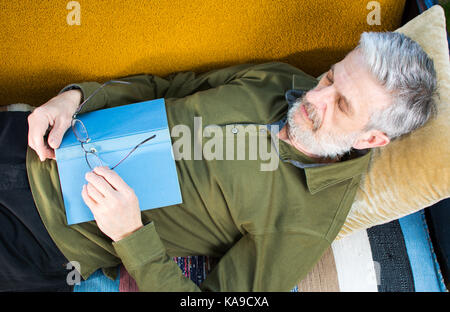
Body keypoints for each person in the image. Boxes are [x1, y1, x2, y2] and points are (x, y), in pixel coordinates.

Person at [0, 31, 437, 291]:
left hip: (44, 239)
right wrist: (73, 96)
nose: (313, 97)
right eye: (329, 76)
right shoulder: (280, 78)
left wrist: (132, 235)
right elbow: (166, 87)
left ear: (373, 137)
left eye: (341, 105)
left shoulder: (306, 221)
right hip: (33, 138)